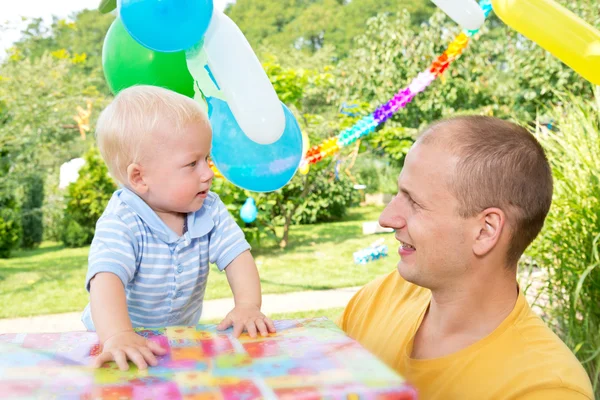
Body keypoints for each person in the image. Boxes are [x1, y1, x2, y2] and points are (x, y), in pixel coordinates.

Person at [338, 116, 593, 399]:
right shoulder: (379, 299)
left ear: (485, 231)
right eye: (399, 193)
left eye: (415, 202)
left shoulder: (544, 389)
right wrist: (279, 345)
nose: (386, 218)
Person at [82, 85, 275, 371]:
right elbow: (106, 278)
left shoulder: (208, 208)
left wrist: (248, 305)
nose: (208, 173)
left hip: (176, 342)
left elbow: (238, 256)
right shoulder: (122, 220)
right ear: (139, 177)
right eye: (191, 163)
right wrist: (118, 335)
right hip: (116, 343)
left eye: (207, 160)